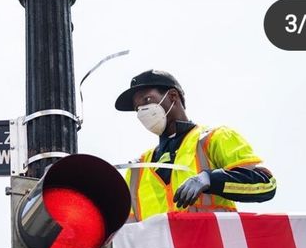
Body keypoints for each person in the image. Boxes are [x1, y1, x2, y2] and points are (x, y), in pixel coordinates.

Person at [114, 69, 276, 222]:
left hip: (213, 247)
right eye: (138, 108)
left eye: (147, 100)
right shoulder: (137, 170)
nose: (142, 111)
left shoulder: (214, 138)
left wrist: (211, 179)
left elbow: (265, 185)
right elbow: (127, 231)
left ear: (172, 96)